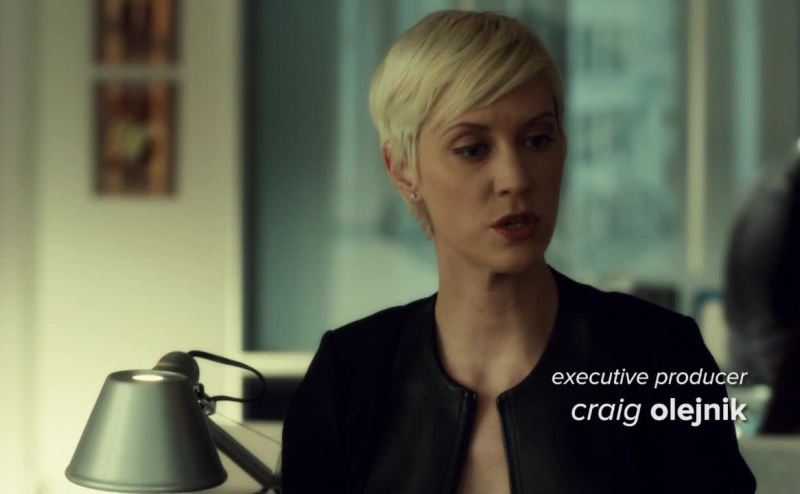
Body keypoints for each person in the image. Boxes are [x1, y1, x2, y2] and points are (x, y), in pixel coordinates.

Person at [281, 10, 755, 493]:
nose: (516, 178)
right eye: (473, 149)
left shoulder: (659, 359)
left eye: (538, 140)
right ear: (402, 169)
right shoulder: (349, 376)